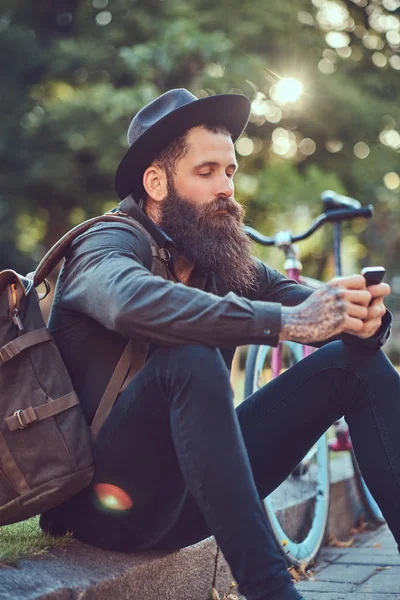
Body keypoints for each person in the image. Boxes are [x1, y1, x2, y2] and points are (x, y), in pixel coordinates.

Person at [40, 88, 399, 600]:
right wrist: (286, 321)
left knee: (352, 364)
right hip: (106, 505)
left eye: (230, 171)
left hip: (193, 497)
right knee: (190, 354)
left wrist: (362, 317)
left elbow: (306, 302)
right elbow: (130, 302)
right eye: (206, 172)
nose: (226, 187)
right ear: (157, 182)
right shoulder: (104, 245)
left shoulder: (218, 258)